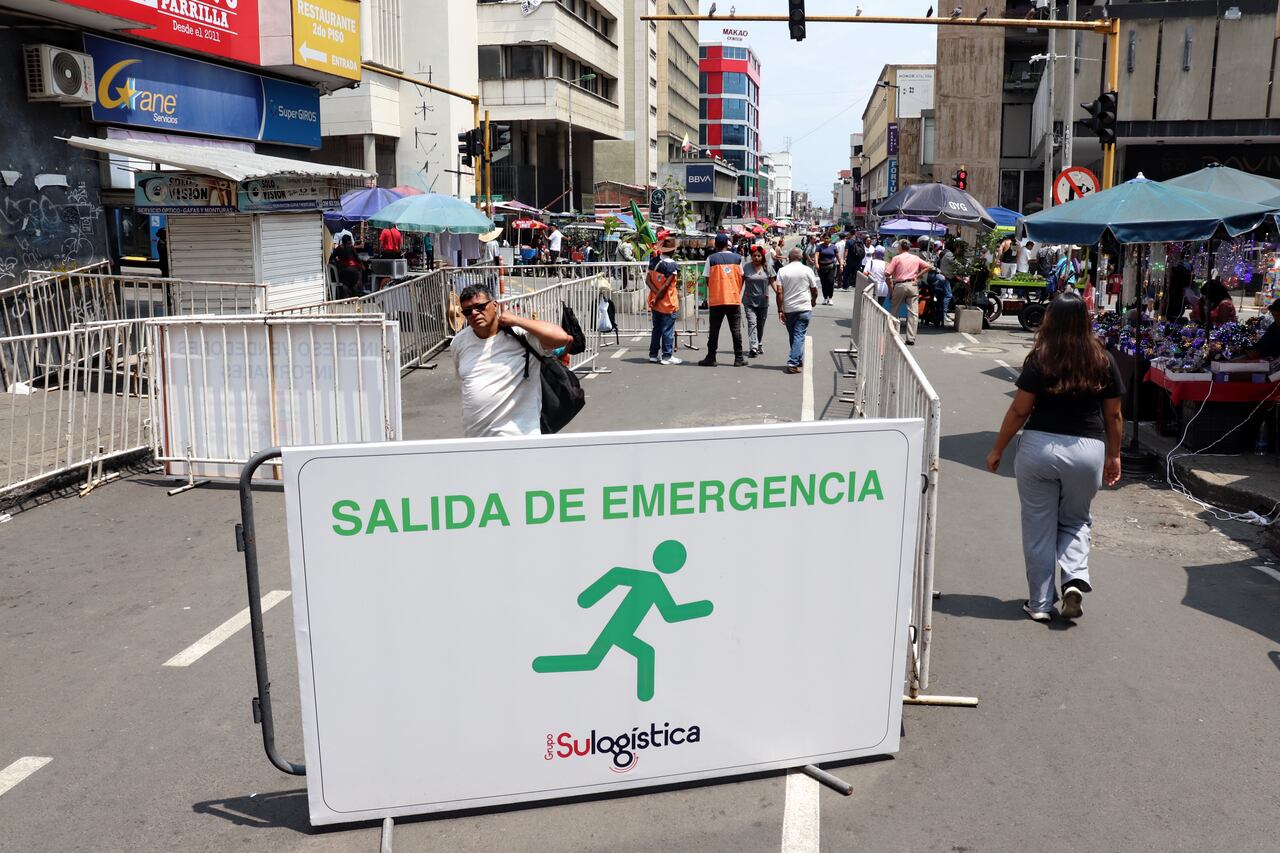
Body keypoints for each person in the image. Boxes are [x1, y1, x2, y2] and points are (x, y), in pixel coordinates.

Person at [985, 292, 1124, 622]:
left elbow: (1020, 410)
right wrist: (1114, 456)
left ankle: (1040, 604)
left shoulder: (1040, 358)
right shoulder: (1103, 359)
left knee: (1038, 527)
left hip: (1039, 450)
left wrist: (998, 449)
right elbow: (1114, 415)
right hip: (1087, 451)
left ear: (1050, 319)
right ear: (1084, 320)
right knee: (1075, 519)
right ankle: (1074, 577)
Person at [451, 283, 574, 438]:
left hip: (518, 436)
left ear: (494, 305)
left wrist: (516, 320)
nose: (474, 313)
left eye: (480, 307)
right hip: (476, 438)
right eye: (468, 311)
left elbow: (561, 337)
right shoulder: (459, 343)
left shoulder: (520, 334)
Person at [698, 233, 747, 367]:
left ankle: (711, 357)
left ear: (716, 245)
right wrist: (736, 289)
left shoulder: (711, 258)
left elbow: (707, 278)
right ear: (727, 244)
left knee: (714, 330)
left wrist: (715, 288)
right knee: (735, 330)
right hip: (733, 298)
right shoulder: (737, 258)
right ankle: (738, 358)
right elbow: (742, 277)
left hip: (717, 299)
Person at [774, 247, 818, 375]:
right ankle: (795, 361)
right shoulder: (807, 270)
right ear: (801, 257)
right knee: (798, 335)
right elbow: (814, 289)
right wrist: (813, 300)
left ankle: (795, 360)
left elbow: (779, 292)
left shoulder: (782, 271)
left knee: (794, 334)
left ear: (789, 258)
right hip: (804, 307)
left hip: (789, 308)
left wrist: (780, 310)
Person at [884, 239, 933, 346]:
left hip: (900, 285)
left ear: (900, 247)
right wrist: (917, 276)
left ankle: (893, 333)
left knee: (894, 309)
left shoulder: (897, 258)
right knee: (913, 313)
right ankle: (911, 338)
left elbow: (887, 273)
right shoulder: (915, 258)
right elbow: (929, 266)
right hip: (912, 285)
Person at [646, 231, 683, 365]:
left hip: (654, 302)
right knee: (667, 330)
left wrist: (655, 296)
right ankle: (667, 356)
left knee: (656, 329)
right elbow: (667, 286)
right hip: (667, 302)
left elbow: (648, 281)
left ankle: (653, 354)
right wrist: (659, 297)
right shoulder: (672, 265)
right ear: (673, 250)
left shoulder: (653, 261)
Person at [740, 243, 776, 358]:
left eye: (759, 256)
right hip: (748, 300)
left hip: (763, 301)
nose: (756, 258)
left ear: (763, 257)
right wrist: (735, 295)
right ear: (751, 256)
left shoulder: (768, 267)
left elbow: (773, 282)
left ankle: (759, 343)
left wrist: (780, 294)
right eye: (754, 255)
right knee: (752, 323)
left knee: (760, 324)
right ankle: (753, 347)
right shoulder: (746, 267)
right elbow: (740, 283)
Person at [329, 234, 364, 299]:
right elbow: (357, 258)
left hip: (343, 269)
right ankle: (355, 299)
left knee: (345, 284)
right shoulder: (351, 247)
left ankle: (345, 299)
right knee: (354, 283)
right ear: (348, 241)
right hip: (353, 269)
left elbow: (331, 257)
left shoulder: (338, 248)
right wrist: (362, 265)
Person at [814, 235, 840, 304]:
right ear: (823, 239)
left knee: (831, 282)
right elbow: (816, 255)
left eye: (827, 238)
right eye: (825, 238)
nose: (826, 240)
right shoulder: (819, 247)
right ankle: (825, 298)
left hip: (831, 267)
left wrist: (841, 265)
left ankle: (830, 298)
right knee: (824, 283)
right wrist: (816, 264)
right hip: (821, 267)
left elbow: (838, 256)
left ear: (830, 239)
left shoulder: (833, 247)